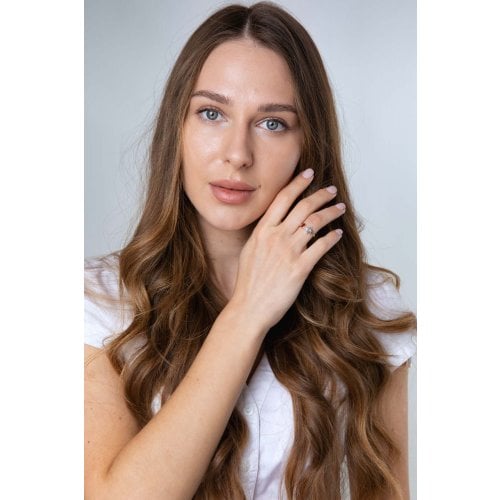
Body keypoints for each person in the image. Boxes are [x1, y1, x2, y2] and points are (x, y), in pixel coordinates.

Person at [84, 2, 417, 499]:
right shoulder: (100, 302)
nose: (237, 154)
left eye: (273, 123)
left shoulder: (368, 309)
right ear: (177, 128)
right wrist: (248, 313)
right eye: (212, 113)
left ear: (309, 145)